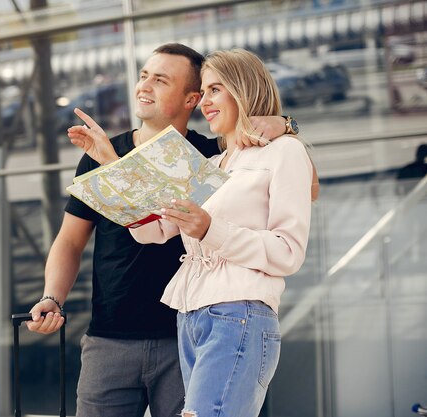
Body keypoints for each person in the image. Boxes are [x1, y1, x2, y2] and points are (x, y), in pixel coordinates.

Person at [26, 43, 290, 417]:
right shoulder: (101, 153)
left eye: (160, 80)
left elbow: (283, 156)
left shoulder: (212, 157)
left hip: (187, 334)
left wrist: (286, 123)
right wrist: (52, 297)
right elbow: (69, 241)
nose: (144, 86)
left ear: (191, 99)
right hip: (109, 339)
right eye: (144, 76)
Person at [119, 49, 314, 417]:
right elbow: (157, 231)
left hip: (238, 314)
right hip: (190, 317)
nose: (204, 102)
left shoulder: (284, 152)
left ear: (243, 90)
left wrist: (211, 229)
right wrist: (112, 175)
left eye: (215, 90)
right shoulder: (210, 164)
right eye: (203, 92)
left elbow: (289, 251)